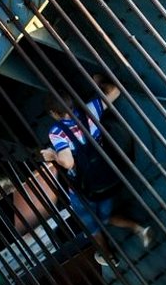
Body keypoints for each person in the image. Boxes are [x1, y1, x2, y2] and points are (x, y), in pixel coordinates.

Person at [40, 75, 153, 267]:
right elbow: (115, 90)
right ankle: (138, 228)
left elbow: (67, 163)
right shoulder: (90, 110)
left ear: (53, 113)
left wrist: (52, 155)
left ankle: (108, 256)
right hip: (107, 178)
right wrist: (99, 81)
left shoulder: (57, 132)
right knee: (105, 217)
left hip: (84, 189)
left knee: (92, 225)